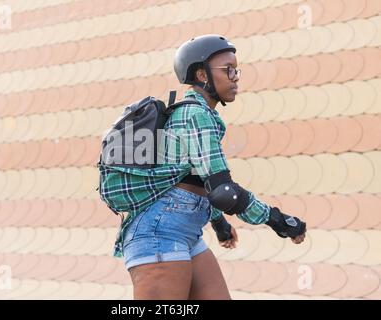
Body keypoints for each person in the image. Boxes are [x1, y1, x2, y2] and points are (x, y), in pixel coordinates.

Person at [102, 34, 306, 300]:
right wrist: (279, 221)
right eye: (227, 69)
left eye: (236, 69)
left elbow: (191, 179)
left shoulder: (193, 112)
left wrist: (219, 223)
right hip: (158, 234)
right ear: (201, 75)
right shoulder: (195, 115)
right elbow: (224, 192)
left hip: (183, 230)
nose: (235, 76)